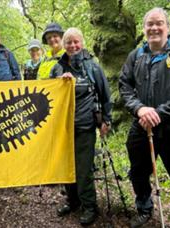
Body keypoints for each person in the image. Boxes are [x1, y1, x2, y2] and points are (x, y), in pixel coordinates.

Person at [118, 7, 170, 228]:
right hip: (141, 126)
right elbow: (124, 86)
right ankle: (144, 209)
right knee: (138, 172)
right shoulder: (136, 56)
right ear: (144, 28)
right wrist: (139, 109)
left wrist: (156, 114)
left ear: (168, 27)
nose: (154, 28)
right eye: (149, 24)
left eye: (159, 23)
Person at [50, 28, 112, 225]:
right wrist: (59, 84)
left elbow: (105, 95)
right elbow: (47, 96)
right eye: (68, 42)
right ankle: (72, 201)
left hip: (85, 126)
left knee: (84, 169)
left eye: (76, 42)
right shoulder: (57, 68)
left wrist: (106, 120)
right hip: (62, 128)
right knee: (66, 166)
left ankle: (89, 206)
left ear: (82, 43)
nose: (73, 46)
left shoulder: (93, 67)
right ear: (63, 45)